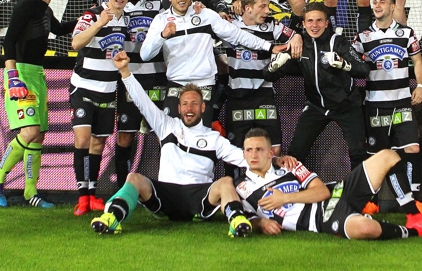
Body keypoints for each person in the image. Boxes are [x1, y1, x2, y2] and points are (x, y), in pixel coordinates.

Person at [91, 55, 293, 237]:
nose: (189, 108)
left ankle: (237, 222)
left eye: (194, 104)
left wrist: (273, 159)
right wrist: (125, 72)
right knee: (134, 178)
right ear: (178, 108)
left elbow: (245, 158)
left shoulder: (214, 139)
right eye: (185, 104)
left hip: (199, 198)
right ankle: (112, 218)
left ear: (203, 108)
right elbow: (142, 101)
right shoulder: (166, 125)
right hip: (166, 195)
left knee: (225, 182)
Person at [233, 127, 422, 240]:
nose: (254, 155)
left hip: (337, 193)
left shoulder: (289, 164)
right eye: (249, 150)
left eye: (259, 149)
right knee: (365, 228)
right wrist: (260, 224)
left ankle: (414, 217)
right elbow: (243, 217)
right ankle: (413, 231)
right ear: (243, 152)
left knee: (388, 156)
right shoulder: (242, 187)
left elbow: (321, 192)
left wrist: (285, 198)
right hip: (321, 220)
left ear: (270, 151)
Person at [140, 0, 289, 125]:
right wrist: (162, 36)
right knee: (169, 136)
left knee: (200, 138)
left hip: (204, 83)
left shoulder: (206, 15)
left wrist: (269, 47)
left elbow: (238, 35)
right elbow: (145, 55)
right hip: (176, 83)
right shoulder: (160, 21)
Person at [0, 0, 76, 208]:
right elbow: (9, 39)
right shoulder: (25, 6)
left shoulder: (45, 9)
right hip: (21, 74)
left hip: (38, 75)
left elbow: (59, 30)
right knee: (28, 131)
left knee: (38, 136)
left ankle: (31, 191)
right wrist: (13, 75)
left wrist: (92, 18)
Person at [351, 0, 422, 217]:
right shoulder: (363, 37)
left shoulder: (406, 33)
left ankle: (413, 203)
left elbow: (417, 61)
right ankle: (371, 202)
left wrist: (421, 86)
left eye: (382, 2)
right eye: (375, 2)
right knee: (376, 153)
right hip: (375, 104)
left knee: (412, 148)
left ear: (393, 6)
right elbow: (352, 62)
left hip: (402, 102)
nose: (377, 6)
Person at [262, 2, 370, 170]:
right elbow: (268, 75)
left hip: (347, 106)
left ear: (327, 23)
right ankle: (290, 192)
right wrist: (273, 66)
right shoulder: (300, 46)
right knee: (294, 154)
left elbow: (363, 70)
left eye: (319, 20)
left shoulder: (339, 41)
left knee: (358, 153)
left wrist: (344, 64)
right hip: (316, 107)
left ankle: (361, 196)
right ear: (303, 24)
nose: (314, 25)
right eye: (310, 21)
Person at [68, 0, 132, 215]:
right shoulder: (91, 14)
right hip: (83, 87)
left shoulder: (127, 19)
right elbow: (75, 44)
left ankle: (92, 194)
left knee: (98, 142)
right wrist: (99, 24)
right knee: (83, 139)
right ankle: (82, 197)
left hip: (108, 90)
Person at [223, 0, 302, 155]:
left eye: (268, 6)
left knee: (275, 149)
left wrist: (296, 38)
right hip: (237, 97)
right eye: (263, 6)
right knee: (233, 151)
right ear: (248, 8)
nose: (267, 11)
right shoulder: (228, 26)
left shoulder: (272, 25)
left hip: (264, 95)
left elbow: (293, 35)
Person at [111, 0, 165, 186]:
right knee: (125, 135)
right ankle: (124, 188)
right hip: (129, 78)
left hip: (158, 76)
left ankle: (169, 186)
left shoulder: (157, 4)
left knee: (167, 134)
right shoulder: (114, 8)